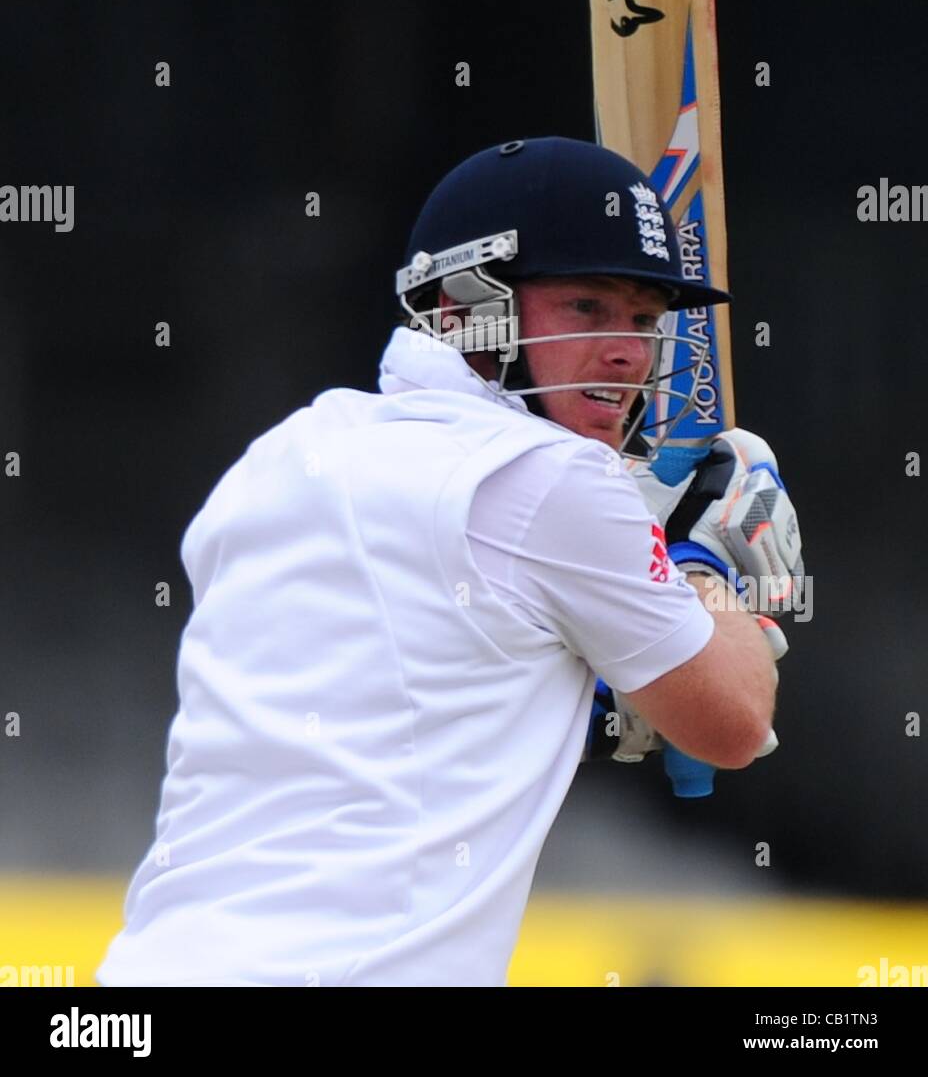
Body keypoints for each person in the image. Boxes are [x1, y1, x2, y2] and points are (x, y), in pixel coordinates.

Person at [96, 136, 802, 988]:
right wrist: (699, 564)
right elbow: (730, 724)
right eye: (587, 306)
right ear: (466, 307)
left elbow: (414, 693)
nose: (629, 351)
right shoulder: (559, 481)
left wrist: (595, 679)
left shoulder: (284, 454)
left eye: (646, 319)